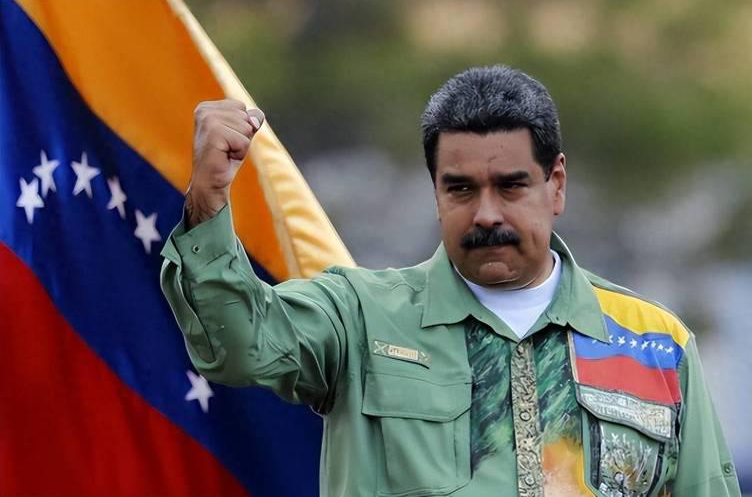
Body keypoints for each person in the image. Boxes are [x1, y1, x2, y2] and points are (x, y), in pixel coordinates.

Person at [160, 65, 741, 497]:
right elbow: (239, 345)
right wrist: (209, 203)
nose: (486, 214)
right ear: (436, 192)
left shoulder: (656, 344)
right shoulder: (357, 317)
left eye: (511, 186)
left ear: (556, 185)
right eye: (461, 189)